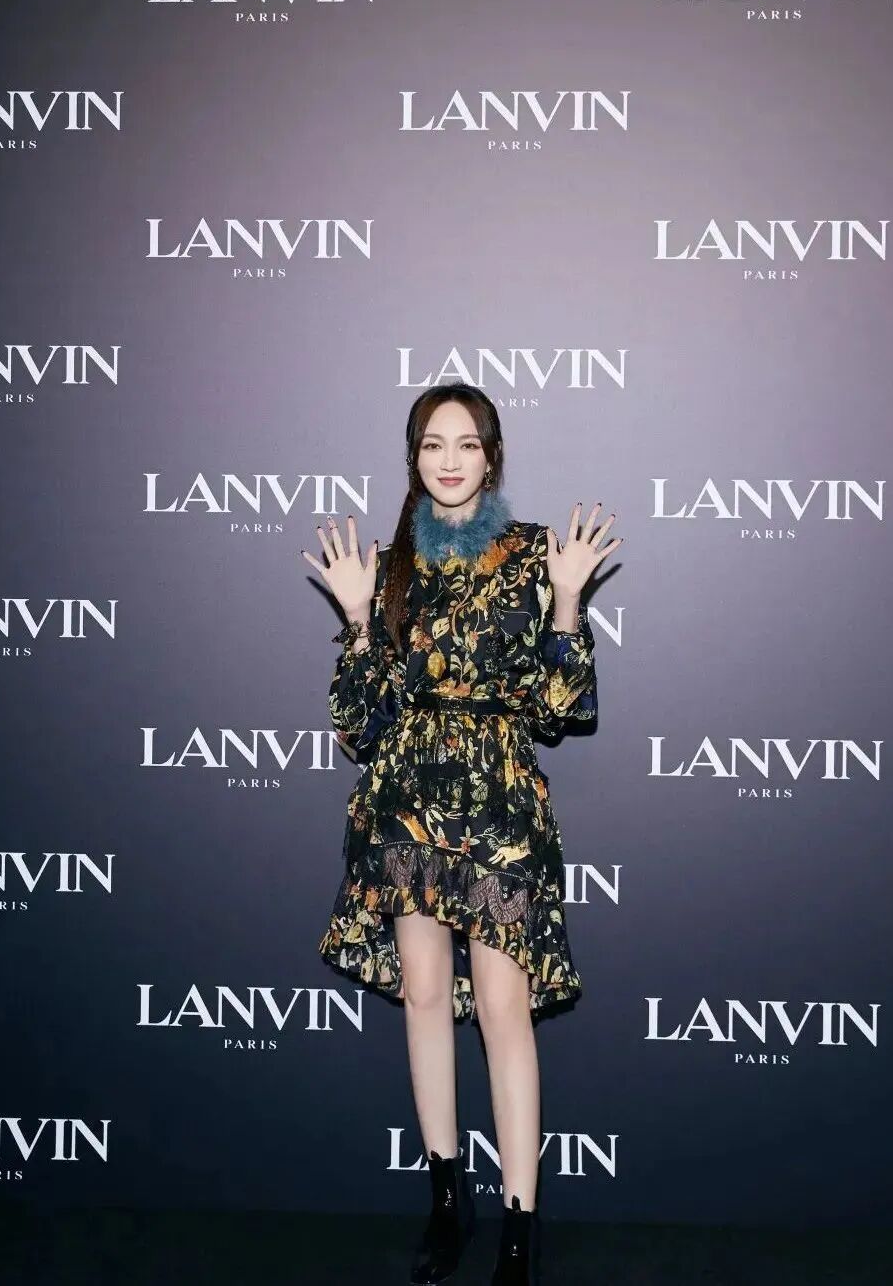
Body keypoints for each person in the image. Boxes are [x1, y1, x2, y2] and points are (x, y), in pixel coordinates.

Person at [301, 383, 621, 1285]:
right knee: (425, 997)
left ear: (492, 455)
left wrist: (567, 602)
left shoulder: (533, 556)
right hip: (406, 800)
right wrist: (357, 617)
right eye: (433, 444)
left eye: (467, 443)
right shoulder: (389, 565)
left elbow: (562, 711)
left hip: (499, 807)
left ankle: (520, 1224)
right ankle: (448, 1201)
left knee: (505, 1012)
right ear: (414, 458)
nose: (449, 459)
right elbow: (358, 725)